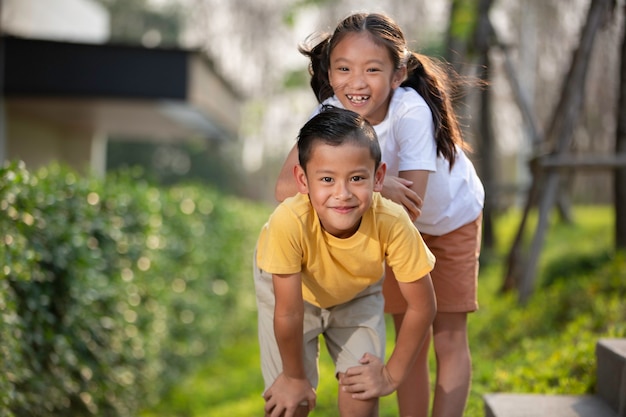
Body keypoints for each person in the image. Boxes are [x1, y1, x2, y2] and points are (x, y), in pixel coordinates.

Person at [274, 12, 485, 417]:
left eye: (373, 69)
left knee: (449, 336)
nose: (357, 82)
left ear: (398, 73)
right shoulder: (331, 115)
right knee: (411, 333)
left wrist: (373, 188)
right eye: (344, 68)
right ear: (329, 72)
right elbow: (285, 187)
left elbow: (412, 204)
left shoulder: (410, 112)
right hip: (395, 231)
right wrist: (380, 185)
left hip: (450, 219)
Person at [255, 106, 437, 417]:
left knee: (362, 391)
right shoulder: (288, 221)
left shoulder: (391, 221)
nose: (342, 194)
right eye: (326, 179)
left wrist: (391, 375)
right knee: (289, 401)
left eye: (356, 178)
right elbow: (288, 312)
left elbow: (423, 305)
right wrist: (295, 378)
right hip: (292, 296)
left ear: (378, 178)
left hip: (356, 296)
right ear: (302, 180)